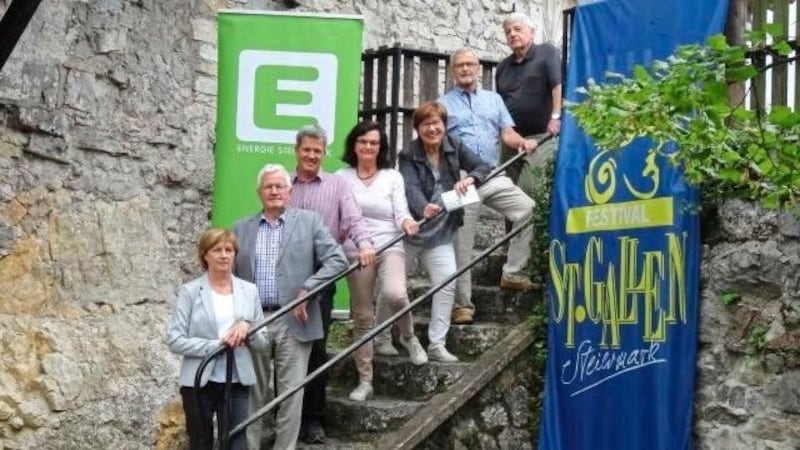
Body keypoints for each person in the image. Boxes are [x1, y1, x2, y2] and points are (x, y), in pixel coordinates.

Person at [232, 164, 348, 450]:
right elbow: (230, 277)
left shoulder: (310, 222)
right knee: (252, 394)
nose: (274, 191)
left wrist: (310, 287)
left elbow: (338, 261)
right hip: (253, 320)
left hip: (295, 320)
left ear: (289, 191)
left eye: (279, 186)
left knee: (290, 395)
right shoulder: (240, 228)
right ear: (259, 192)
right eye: (268, 186)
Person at [287, 124, 375, 444]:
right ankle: (285, 419)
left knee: (315, 350)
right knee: (282, 351)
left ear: (324, 153)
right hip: (286, 278)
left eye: (317, 150)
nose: (311, 155)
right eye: (306, 149)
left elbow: (353, 220)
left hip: (322, 277)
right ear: (296, 151)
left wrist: (364, 244)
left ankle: (312, 420)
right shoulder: (284, 184)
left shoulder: (337, 185)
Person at [438, 47, 539, 326]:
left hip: (492, 174)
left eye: (470, 64)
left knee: (528, 210)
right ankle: (462, 306)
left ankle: (513, 272)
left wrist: (520, 142)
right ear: (452, 71)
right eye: (460, 65)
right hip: (461, 181)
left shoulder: (493, 100)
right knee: (462, 244)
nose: (466, 69)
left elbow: (506, 132)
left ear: (478, 68)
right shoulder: (442, 104)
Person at [336, 120, 428, 402]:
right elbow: (337, 217)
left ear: (381, 147)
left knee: (395, 293)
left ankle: (408, 337)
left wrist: (408, 222)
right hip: (356, 251)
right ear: (354, 144)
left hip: (389, 244)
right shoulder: (341, 177)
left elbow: (400, 212)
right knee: (363, 317)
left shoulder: (392, 177)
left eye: (374, 143)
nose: (368, 147)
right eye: (363, 141)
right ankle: (365, 381)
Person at [398, 100, 492, 362]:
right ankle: (383, 337)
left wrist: (470, 178)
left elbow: (483, 166)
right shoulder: (408, 154)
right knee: (392, 289)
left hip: (441, 232)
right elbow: (411, 187)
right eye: (426, 124)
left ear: (444, 125)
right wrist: (422, 207)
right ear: (418, 128)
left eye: (436, 123)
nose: (432, 129)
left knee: (447, 281)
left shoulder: (454, 145)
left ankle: (436, 343)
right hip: (413, 230)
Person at [166, 228, 269, 450]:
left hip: (238, 379)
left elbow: (263, 343)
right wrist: (217, 346)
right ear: (205, 255)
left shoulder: (249, 291)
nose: (224, 255)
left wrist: (247, 329)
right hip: (199, 379)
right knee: (200, 443)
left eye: (228, 250)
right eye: (217, 250)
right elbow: (175, 340)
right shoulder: (190, 291)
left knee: (236, 443)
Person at [495, 12, 562, 201]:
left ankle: (530, 231)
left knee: (528, 190)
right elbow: (500, 104)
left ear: (531, 32)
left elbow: (558, 86)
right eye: (508, 32)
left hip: (541, 136)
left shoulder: (547, 52)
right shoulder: (502, 67)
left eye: (518, 29)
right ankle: (513, 232)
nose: (512, 34)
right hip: (512, 139)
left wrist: (555, 117)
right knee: (509, 194)